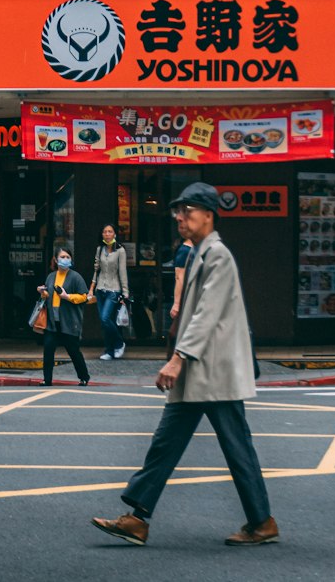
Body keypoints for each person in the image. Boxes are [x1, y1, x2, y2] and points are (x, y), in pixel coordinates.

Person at [91, 183, 277, 548]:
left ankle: (262, 521)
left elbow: (207, 315)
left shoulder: (218, 256)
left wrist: (178, 358)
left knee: (237, 448)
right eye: (178, 211)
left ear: (209, 215)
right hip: (198, 374)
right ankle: (137, 519)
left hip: (213, 374)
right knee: (165, 445)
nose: (179, 217)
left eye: (187, 210)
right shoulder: (198, 253)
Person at [38, 245, 92, 386]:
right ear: (56, 260)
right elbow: (48, 296)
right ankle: (47, 379)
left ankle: (84, 377)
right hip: (51, 321)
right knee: (48, 350)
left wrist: (67, 296)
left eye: (68, 257)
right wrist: (43, 292)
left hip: (69, 321)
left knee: (73, 350)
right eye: (62, 257)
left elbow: (84, 297)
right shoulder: (51, 277)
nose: (65, 259)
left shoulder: (75, 277)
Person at [87, 224, 129, 360]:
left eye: (110, 231)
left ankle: (119, 343)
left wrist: (125, 293)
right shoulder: (100, 249)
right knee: (104, 322)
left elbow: (123, 272)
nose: (107, 234)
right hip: (100, 289)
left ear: (115, 234)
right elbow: (96, 270)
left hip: (114, 290)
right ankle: (109, 351)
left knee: (105, 318)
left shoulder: (120, 250)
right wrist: (91, 288)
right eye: (105, 232)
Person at [165, 217, 193, 358]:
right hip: (187, 298)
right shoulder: (184, 251)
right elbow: (179, 277)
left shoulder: (196, 249)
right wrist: (176, 303)